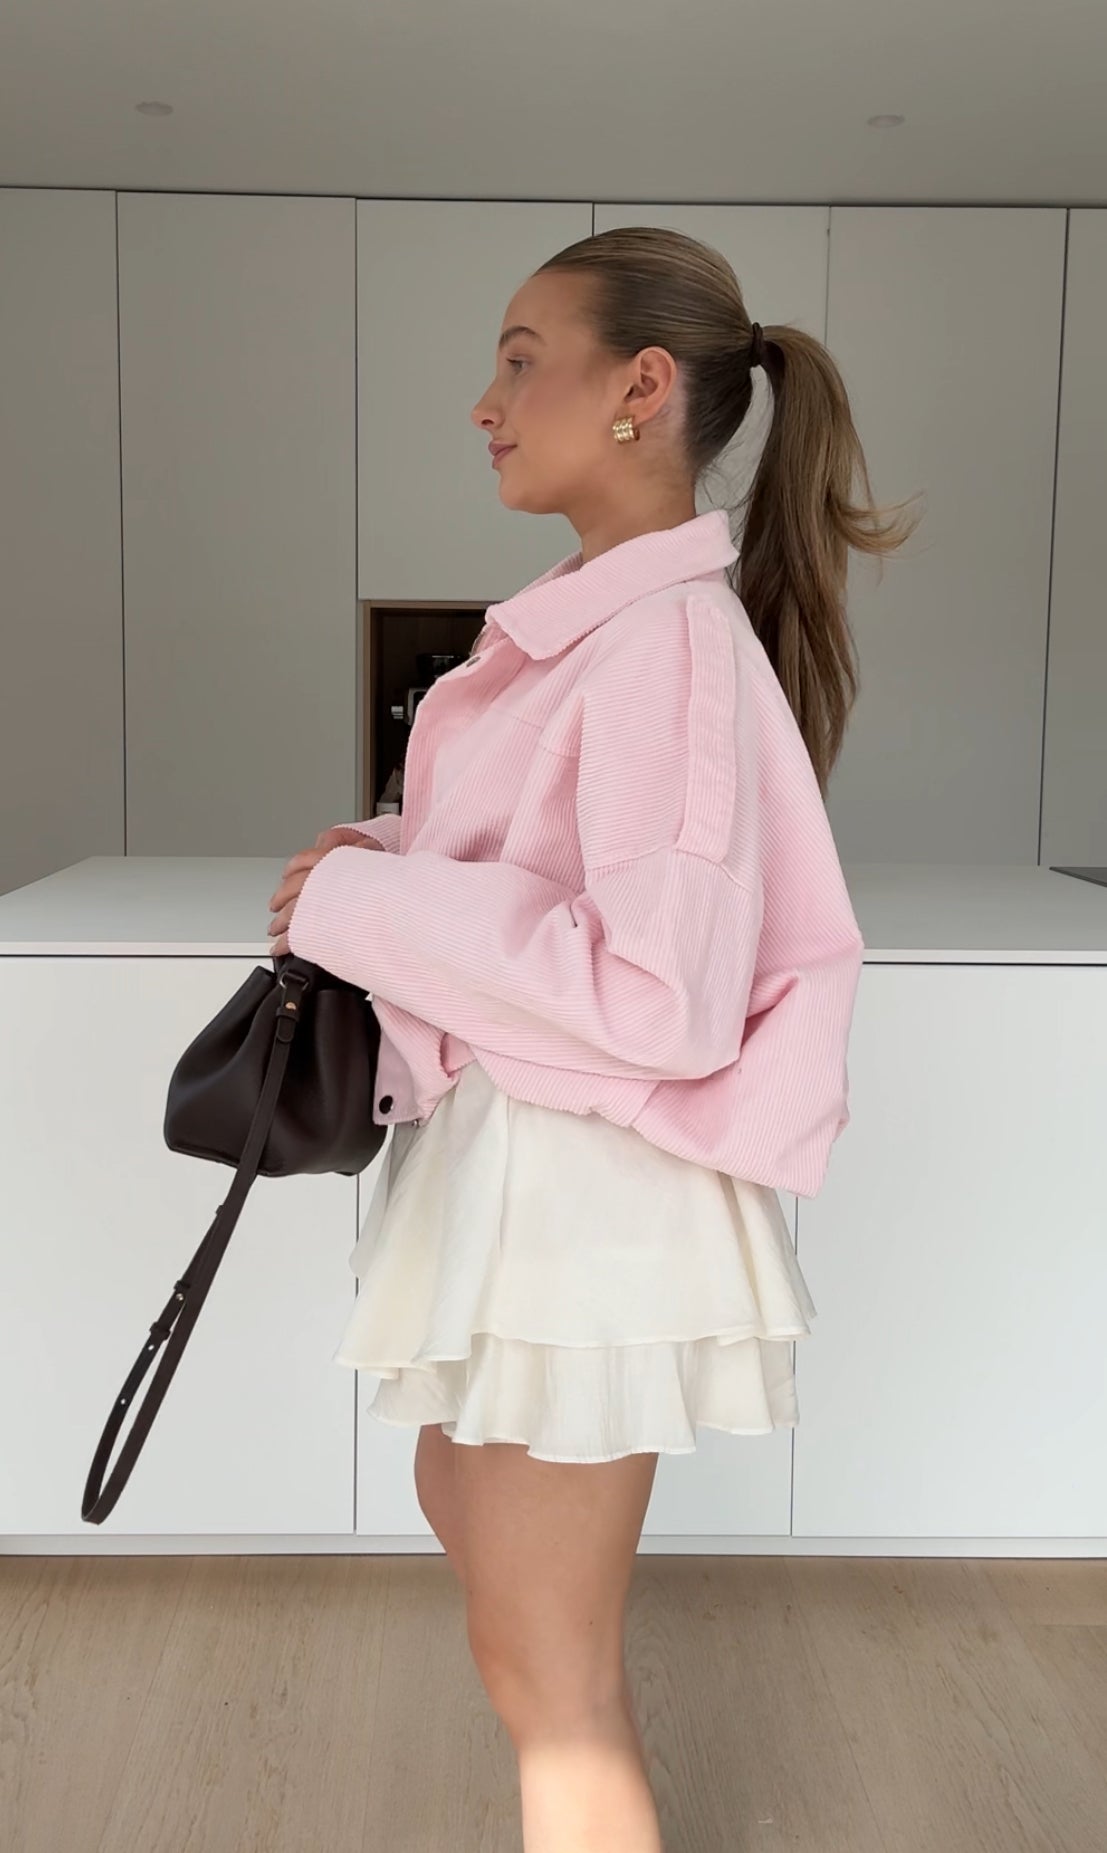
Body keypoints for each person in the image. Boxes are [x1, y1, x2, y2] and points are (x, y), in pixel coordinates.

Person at [267, 226, 916, 1853]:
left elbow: (658, 995)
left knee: (546, 1675)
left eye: (518, 358)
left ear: (641, 387)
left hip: (586, 1201)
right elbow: (556, 874)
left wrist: (370, 909)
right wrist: (384, 863)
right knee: (501, 1579)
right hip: (537, 1178)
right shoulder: (604, 628)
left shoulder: (664, 651)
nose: (484, 402)